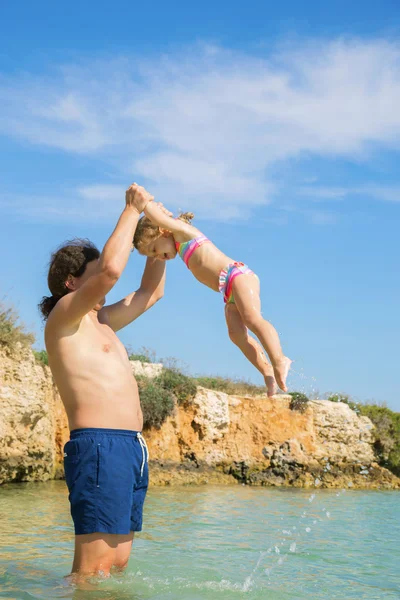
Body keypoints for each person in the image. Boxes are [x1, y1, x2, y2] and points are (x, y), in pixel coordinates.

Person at [39, 184, 164, 579]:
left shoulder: (103, 321)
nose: (105, 284)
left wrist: (159, 244)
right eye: (93, 279)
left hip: (130, 449)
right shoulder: (64, 318)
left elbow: (151, 293)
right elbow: (111, 270)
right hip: (98, 445)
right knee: (92, 570)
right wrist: (131, 210)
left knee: (117, 565)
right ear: (71, 283)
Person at [133, 203, 291, 396]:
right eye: (153, 255)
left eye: (155, 249)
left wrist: (144, 204)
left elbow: (160, 219)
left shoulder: (182, 232)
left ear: (163, 231)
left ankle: (279, 358)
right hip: (227, 289)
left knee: (252, 319)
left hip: (237, 275)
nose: (159, 256)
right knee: (236, 335)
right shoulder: (173, 242)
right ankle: (267, 371)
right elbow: (155, 231)